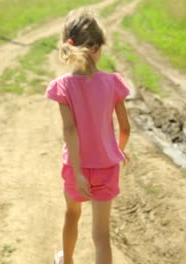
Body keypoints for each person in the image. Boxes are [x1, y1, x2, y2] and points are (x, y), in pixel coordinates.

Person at [45, 8, 131, 264]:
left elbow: (69, 130)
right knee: (101, 236)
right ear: (97, 48)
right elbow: (125, 128)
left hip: (75, 168)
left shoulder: (63, 87)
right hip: (106, 167)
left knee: (72, 215)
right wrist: (118, 149)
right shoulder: (113, 83)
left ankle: (67, 261)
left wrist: (80, 172)